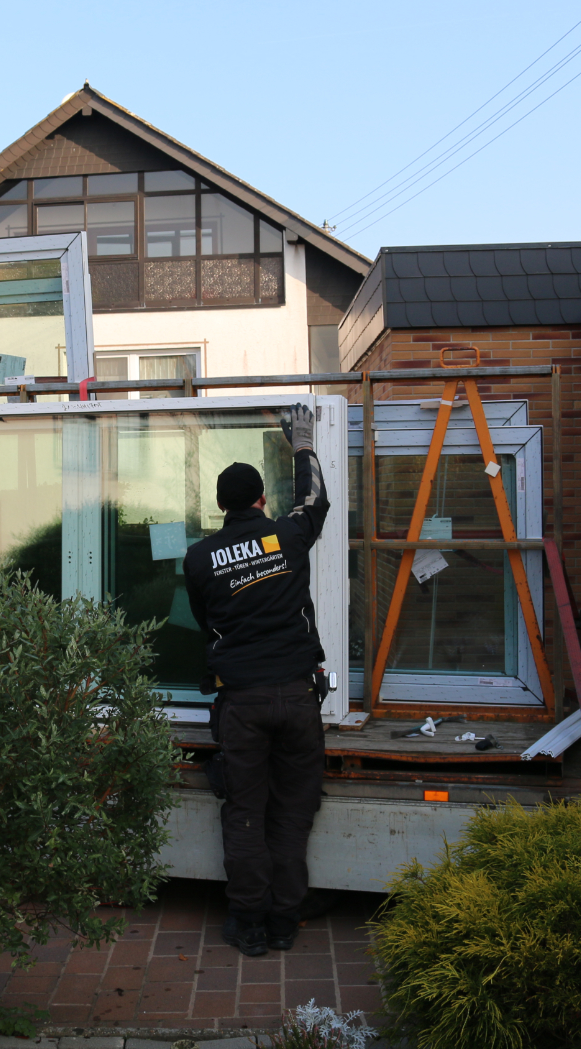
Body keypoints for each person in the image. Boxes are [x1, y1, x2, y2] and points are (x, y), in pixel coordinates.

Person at [182, 402, 331, 958]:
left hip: (240, 702)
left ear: (221, 506)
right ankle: (283, 920)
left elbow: (206, 622)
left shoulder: (199, 558)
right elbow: (315, 500)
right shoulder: (287, 536)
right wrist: (304, 447)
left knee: (244, 811)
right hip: (296, 696)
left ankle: (247, 922)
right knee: (293, 810)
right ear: (262, 500)